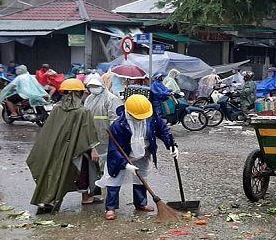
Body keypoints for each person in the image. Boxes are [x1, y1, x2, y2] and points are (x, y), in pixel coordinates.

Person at [98, 94, 177, 221]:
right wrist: (125, 164)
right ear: (129, 113)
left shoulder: (151, 117)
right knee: (114, 179)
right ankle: (110, 207)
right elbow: (114, 149)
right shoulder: (118, 125)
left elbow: (163, 130)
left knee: (141, 178)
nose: (142, 119)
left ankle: (140, 203)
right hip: (124, 154)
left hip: (143, 151)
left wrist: (171, 145)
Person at [26, 79, 100, 212]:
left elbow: (50, 131)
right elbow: (88, 133)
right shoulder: (83, 111)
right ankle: (85, 197)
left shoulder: (56, 109)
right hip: (78, 150)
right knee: (82, 171)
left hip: (57, 148)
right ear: (79, 93)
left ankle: (49, 198)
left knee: (56, 171)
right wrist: (93, 149)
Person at [83, 73, 123, 198]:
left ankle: (106, 184)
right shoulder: (89, 99)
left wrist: (114, 134)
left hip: (106, 135)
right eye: (91, 86)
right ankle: (96, 185)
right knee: (94, 162)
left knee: (106, 160)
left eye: (96, 86)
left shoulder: (111, 99)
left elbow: (115, 119)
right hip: (92, 134)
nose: (93, 88)